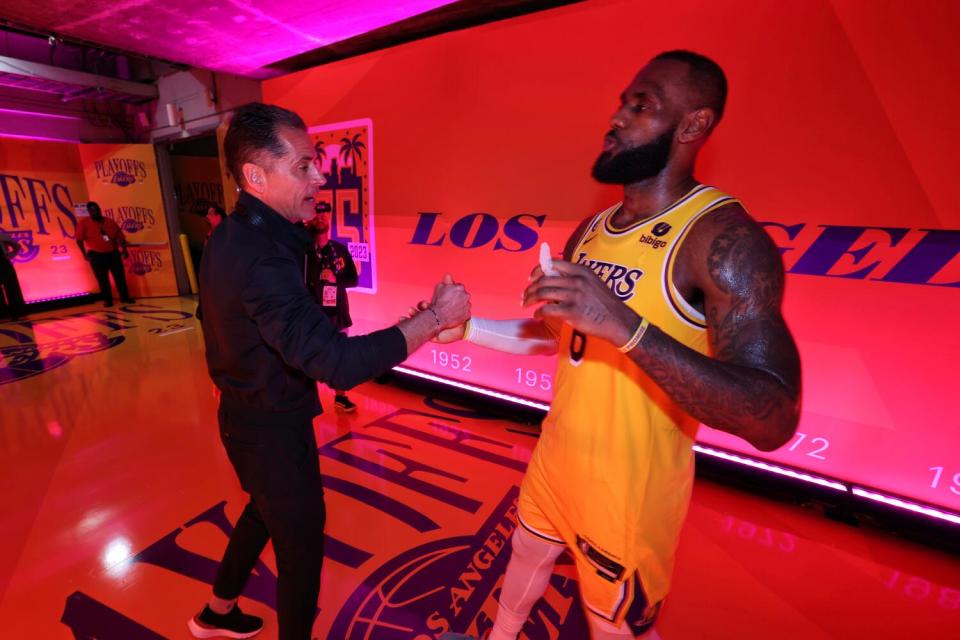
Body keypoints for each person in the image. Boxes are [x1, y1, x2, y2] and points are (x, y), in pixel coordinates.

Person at [441, 51, 802, 640]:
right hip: (558, 460)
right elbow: (566, 338)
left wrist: (628, 327)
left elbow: (773, 416)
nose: (615, 117)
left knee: (615, 628)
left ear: (692, 127)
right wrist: (470, 330)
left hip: (628, 498)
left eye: (641, 106)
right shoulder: (593, 229)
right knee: (524, 557)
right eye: (620, 101)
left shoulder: (725, 240)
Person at [191, 102, 470, 640]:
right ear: (255, 175)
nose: (318, 177)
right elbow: (337, 365)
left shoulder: (238, 235)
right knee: (300, 545)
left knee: (262, 512)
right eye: (302, 166)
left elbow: (280, 331)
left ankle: (216, 615)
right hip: (268, 427)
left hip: (249, 413)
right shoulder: (262, 257)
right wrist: (436, 319)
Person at [304, 210, 361, 412]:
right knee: (307, 356)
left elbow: (354, 280)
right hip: (311, 316)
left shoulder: (339, 249)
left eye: (323, 214)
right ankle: (306, 397)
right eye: (315, 214)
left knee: (340, 356)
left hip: (338, 313)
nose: (320, 217)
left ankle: (341, 396)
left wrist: (336, 280)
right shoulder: (304, 253)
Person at [74, 201, 135, 307]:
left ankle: (125, 298)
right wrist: (84, 254)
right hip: (97, 255)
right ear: (89, 212)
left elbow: (120, 237)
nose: (95, 212)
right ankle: (108, 300)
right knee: (102, 280)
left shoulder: (110, 222)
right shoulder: (83, 223)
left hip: (113, 254)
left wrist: (124, 250)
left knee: (120, 277)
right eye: (92, 210)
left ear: (100, 209)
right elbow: (79, 240)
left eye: (97, 209)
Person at [0, 230, 26, 320]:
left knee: (12, 288)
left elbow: (17, 246)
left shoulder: (1, 236)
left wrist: (10, 255)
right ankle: (2, 315)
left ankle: (18, 313)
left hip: (3, 263)